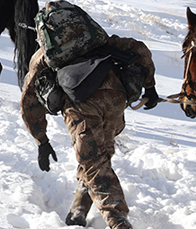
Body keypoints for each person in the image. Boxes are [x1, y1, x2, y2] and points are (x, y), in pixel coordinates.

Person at [20, 28, 159, 229]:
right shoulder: (95, 38)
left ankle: (117, 220)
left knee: (93, 160)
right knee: (99, 154)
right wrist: (150, 86)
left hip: (80, 104)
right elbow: (139, 48)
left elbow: (28, 101)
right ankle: (79, 208)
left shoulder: (45, 53)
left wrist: (41, 140)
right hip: (114, 98)